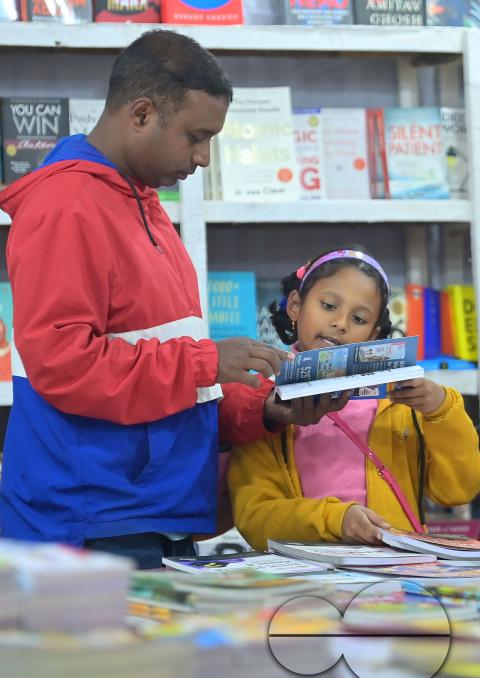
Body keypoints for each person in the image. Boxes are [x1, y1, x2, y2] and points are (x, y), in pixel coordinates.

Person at [0, 30, 335, 569]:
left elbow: (169, 382)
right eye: (195, 137)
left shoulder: (143, 203)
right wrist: (207, 362)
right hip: (91, 524)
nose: (204, 158)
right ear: (141, 115)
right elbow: (63, 364)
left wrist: (268, 410)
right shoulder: (67, 206)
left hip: (152, 513)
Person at [228, 248, 480, 550]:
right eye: (329, 305)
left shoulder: (398, 404)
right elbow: (254, 517)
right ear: (295, 305)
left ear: (373, 335)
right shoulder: (264, 406)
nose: (341, 323)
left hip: (394, 577)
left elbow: (457, 490)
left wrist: (442, 410)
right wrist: (337, 520)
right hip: (305, 578)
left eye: (359, 318)